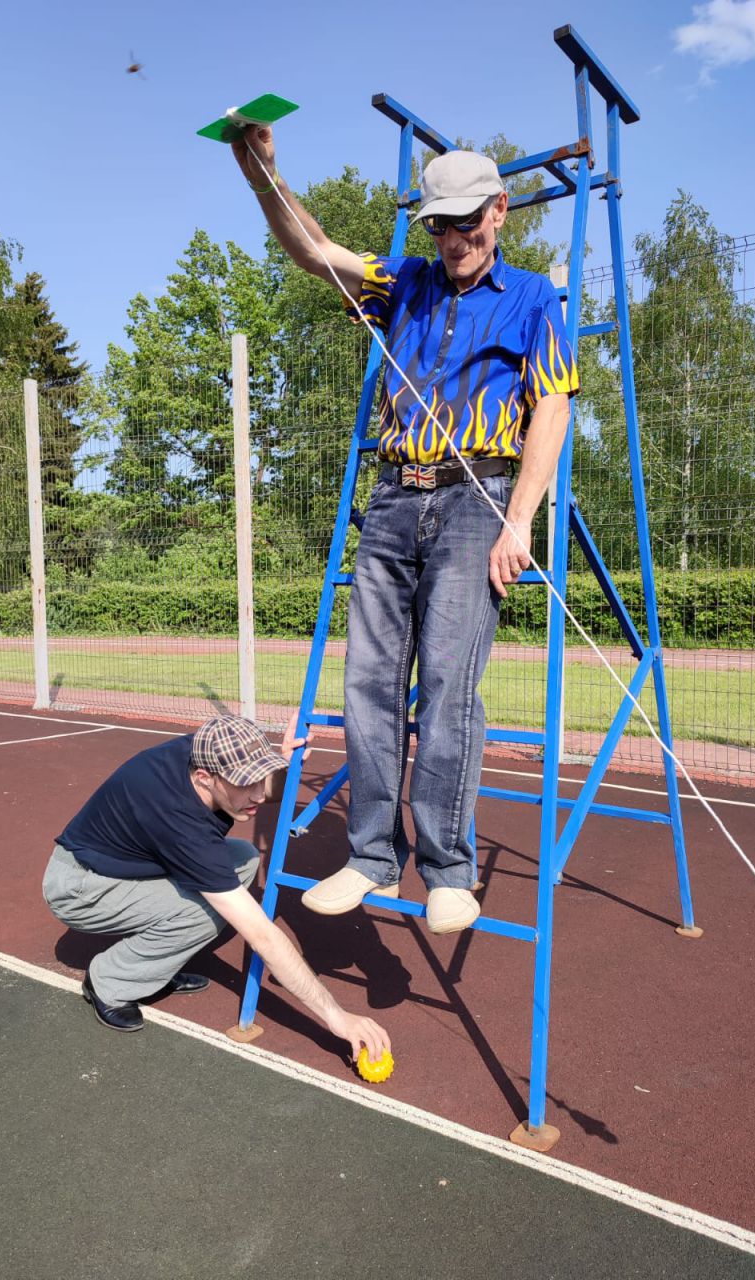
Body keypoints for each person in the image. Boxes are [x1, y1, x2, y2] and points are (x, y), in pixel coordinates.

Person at [232, 130, 578, 935]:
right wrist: (265, 178)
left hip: (477, 500)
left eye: (466, 221)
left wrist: (518, 521)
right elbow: (316, 251)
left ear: (499, 211)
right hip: (392, 500)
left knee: (451, 686)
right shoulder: (406, 283)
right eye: (438, 225)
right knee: (369, 685)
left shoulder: (533, 299)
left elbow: (552, 409)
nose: (452, 239)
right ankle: (371, 856)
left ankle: (450, 869)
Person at [42, 713, 390, 1062]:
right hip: (80, 887)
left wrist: (284, 762)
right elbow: (262, 935)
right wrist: (337, 1017)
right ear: (204, 778)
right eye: (244, 783)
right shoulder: (179, 821)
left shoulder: (206, 750)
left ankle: (151, 968)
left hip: (126, 863)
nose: (258, 793)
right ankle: (110, 982)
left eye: (259, 776)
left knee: (243, 858)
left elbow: (265, 789)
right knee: (207, 911)